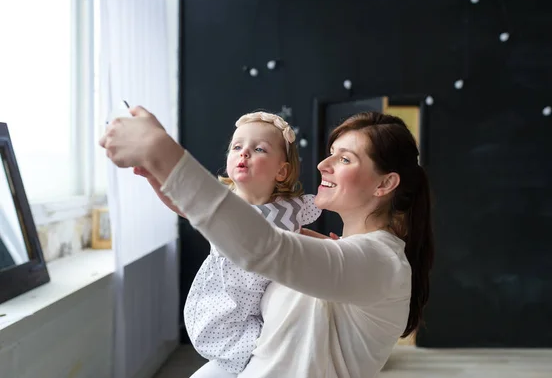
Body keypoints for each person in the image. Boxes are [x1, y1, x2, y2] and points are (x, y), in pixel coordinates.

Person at [100, 107, 434, 378]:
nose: (322, 165)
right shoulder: (336, 251)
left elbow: (262, 248)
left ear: (385, 183)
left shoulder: (378, 262)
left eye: (345, 159)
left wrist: (162, 152)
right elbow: (244, 231)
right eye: (331, 154)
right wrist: (163, 179)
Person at [134, 111, 321, 376]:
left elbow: (300, 234)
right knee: (230, 349)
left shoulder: (289, 209)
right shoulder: (224, 202)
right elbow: (180, 203)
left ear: (282, 171)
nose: (244, 153)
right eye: (237, 147)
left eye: (258, 149)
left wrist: (333, 244)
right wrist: (153, 176)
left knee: (270, 348)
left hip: (260, 305)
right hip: (221, 298)